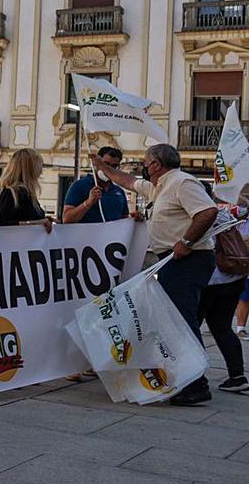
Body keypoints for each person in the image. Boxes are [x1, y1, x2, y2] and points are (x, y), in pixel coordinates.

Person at [91, 144, 218, 406]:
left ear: (157, 165)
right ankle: (187, 378)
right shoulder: (157, 187)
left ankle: (197, 384)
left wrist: (186, 241)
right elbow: (128, 181)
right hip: (172, 260)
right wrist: (103, 168)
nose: (144, 167)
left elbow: (207, 211)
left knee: (182, 320)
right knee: (175, 320)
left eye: (146, 162)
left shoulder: (182, 182)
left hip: (188, 259)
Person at [199, 183, 248, 393]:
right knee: (222, 327)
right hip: (232, 278)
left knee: (191, 327)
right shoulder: (225, 214)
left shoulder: (201, 215)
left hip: (210, 280)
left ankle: (196, 377)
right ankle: (237, 376)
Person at [62, 146, 130, 224]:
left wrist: (134, 220)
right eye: (105, 164)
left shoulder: (119, 192)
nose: (108, 169)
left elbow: (124, 221)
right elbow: (66, 219)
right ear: (96, 163)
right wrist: (87, 203)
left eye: (114, 166)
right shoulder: (79, 186)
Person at [0, 148, 52, 232]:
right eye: (39, 166)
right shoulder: (12, 193)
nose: (41, 172)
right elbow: (1, 224)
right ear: (30, 169)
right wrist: (36, 223)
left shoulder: (28, 193)